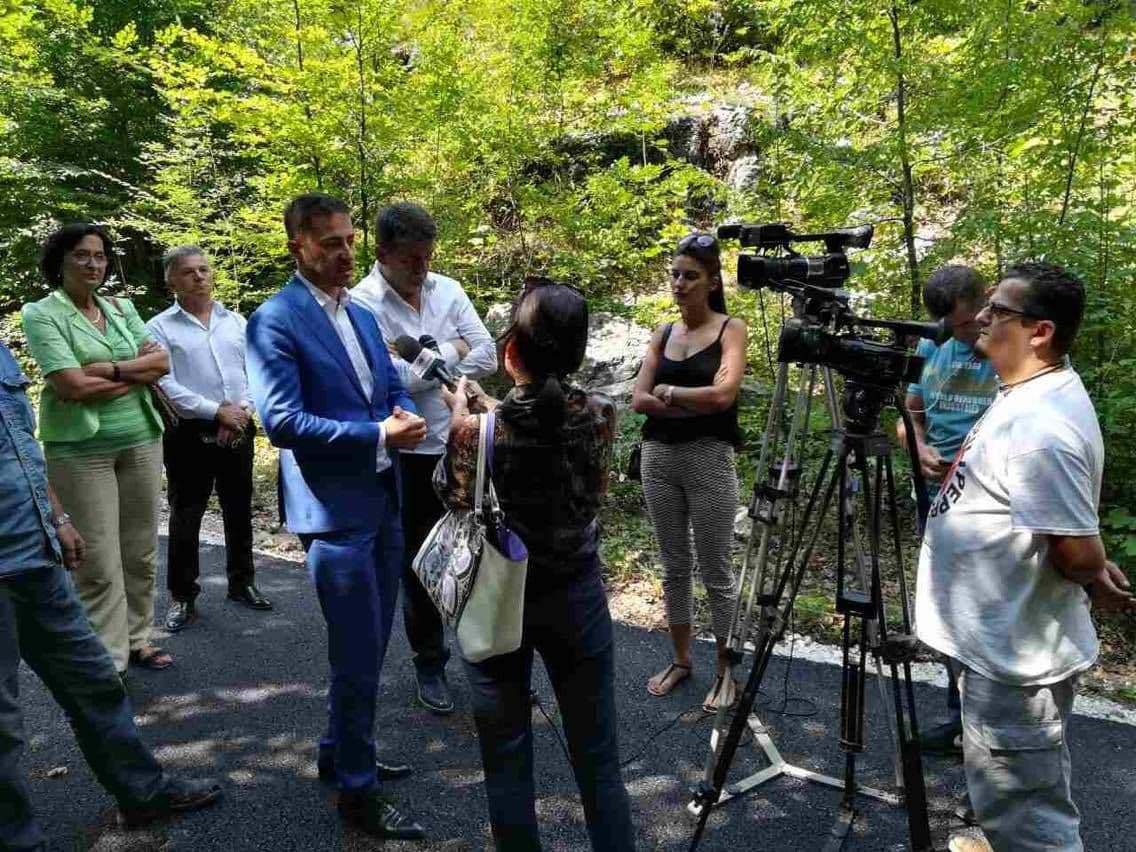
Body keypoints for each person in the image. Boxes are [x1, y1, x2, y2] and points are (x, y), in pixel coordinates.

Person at [915, 262, 1135, 852]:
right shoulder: (1029, 391)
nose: (981, 317)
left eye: (998, 311)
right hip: (996, 641)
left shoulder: (1041, 426)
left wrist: (1093, 570)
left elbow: (1073, 548)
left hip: (1013, 656)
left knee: (1031, 817)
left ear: (1039, 331)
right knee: (1015, 789)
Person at [246, 193, 428, 840]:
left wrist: (402, 412)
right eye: (331, 243)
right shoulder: (275, 320)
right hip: (333, 512)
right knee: (356, 655)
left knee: (372, 649)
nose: (346, 252)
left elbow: (390, 383)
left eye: (350, 240)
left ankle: (339, 751)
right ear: (298, 246)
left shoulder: (358, 310)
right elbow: (282, 422)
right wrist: (380, 434)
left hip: (384, 503)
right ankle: (358, 792)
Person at [0, 338, 222, 850]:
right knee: (2, 729)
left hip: (35, 556)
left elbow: (22, 449)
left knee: (96, 681)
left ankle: (142, 793)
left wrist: (57, 519)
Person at [438, 277, 635, 851]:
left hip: (500, 602)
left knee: (506, 757)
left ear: (509, 351)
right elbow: (590, 488)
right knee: (598, 757)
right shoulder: (600, 413)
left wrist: (462, 418)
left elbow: (455, 500)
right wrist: (488, 415)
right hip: (577, 596)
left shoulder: (476, 432)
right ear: (576, 353)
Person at [352, 201, 497, 715]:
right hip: (409, 451)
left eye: (428, 257)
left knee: (479, 550)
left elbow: (488, 352)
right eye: (412, 259)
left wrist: (429, 356)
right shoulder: (361, 303)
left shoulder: (449, 289)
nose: (422, 268)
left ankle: (485, 658)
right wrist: (448, 355)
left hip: (462, 439)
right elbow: (382, 381)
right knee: (419, 562)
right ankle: (429, 664)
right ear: (383, 253)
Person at [21, 223, 171, 674]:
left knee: (140, 551)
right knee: (98, 561)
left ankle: (139, 638)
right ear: (60, 261)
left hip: (142, 437)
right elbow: (70, 385)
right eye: (82, 255)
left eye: (100, 255)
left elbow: (161, 362)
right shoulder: (42, 313)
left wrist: (105, 370)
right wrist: (132, 371)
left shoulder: (120, 308)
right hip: (81, 449)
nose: (93, 264)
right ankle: (109, 660)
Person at [631, 232, 747, 712]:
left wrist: (671, 396)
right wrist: (686, 403)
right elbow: (638, 400)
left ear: (712, 281)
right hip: (659, 458)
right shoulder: (662, 333)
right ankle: (681, 660)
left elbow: (725, 397)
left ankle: (726, 669)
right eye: (675, 274)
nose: (679, 284)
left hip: (709, 457)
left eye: (690, 276)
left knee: (716, 567)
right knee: (673, 565)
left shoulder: (729, 329)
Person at [896, 265, 999, 757]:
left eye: (965, 323)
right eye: (950, 326)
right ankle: (959, 719)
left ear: (987, 302)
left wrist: (984, 340)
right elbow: (910, 411)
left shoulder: (1005, 347)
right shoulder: (931, 342)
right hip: (935, 498)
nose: (959, 334)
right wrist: (917, 446)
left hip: (988, 502)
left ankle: (990, 726)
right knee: (947, 610)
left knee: (987, 613)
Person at [146, 246, 271, 633]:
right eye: (188, 272)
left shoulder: (236, 320)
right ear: (172, 281)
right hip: (189, 432)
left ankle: (242, 582)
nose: (199, 277)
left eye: (203, 269)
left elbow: (254, 369)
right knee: (187, 514)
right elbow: (162, 382)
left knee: (238, 509)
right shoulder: (159, 328)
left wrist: (242, 411)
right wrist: (214, 410)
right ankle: (183, 597)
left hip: (238, 427)